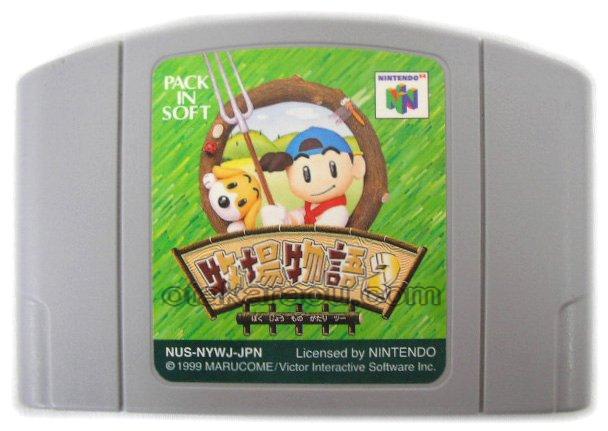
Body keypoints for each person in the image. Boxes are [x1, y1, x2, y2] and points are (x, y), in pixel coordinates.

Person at [259, 127, 366, 227]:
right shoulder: (309, 208)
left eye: (332, 168)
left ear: (357, 167)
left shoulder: (337, 213)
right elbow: (297, 218)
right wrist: (282, 219)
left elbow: (324, 234)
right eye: (306, 175)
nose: (319, 180)